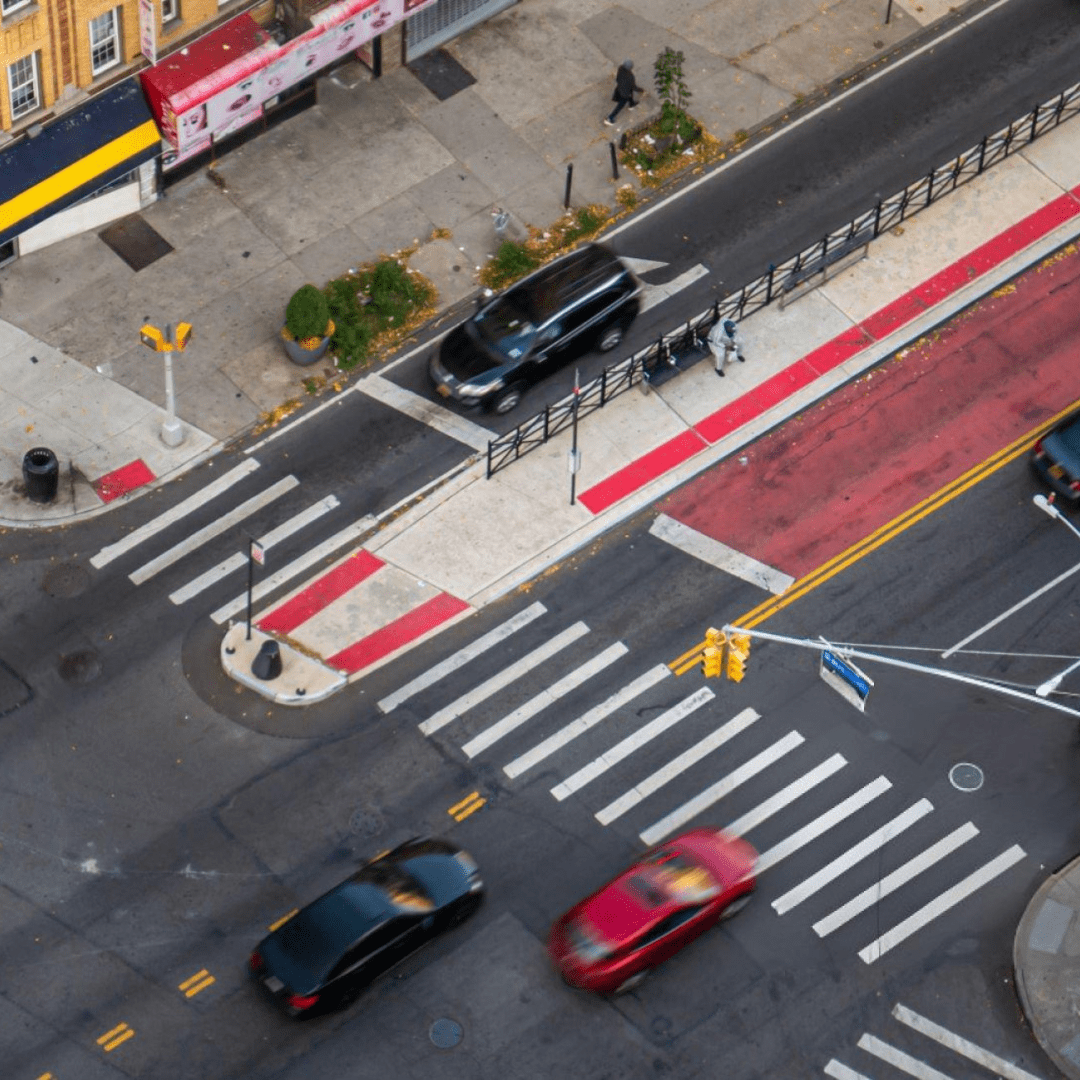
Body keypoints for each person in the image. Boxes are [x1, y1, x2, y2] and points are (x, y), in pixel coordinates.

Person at [604, 60, 643, 126]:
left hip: (619, 88)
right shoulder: (631, 77)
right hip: (625, 93)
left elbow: (617, 79)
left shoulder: (620, 68)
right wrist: (640, 90)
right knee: (620, 106)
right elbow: (633, 87)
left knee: (630, 94)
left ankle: (631, 104)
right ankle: (610, 118)